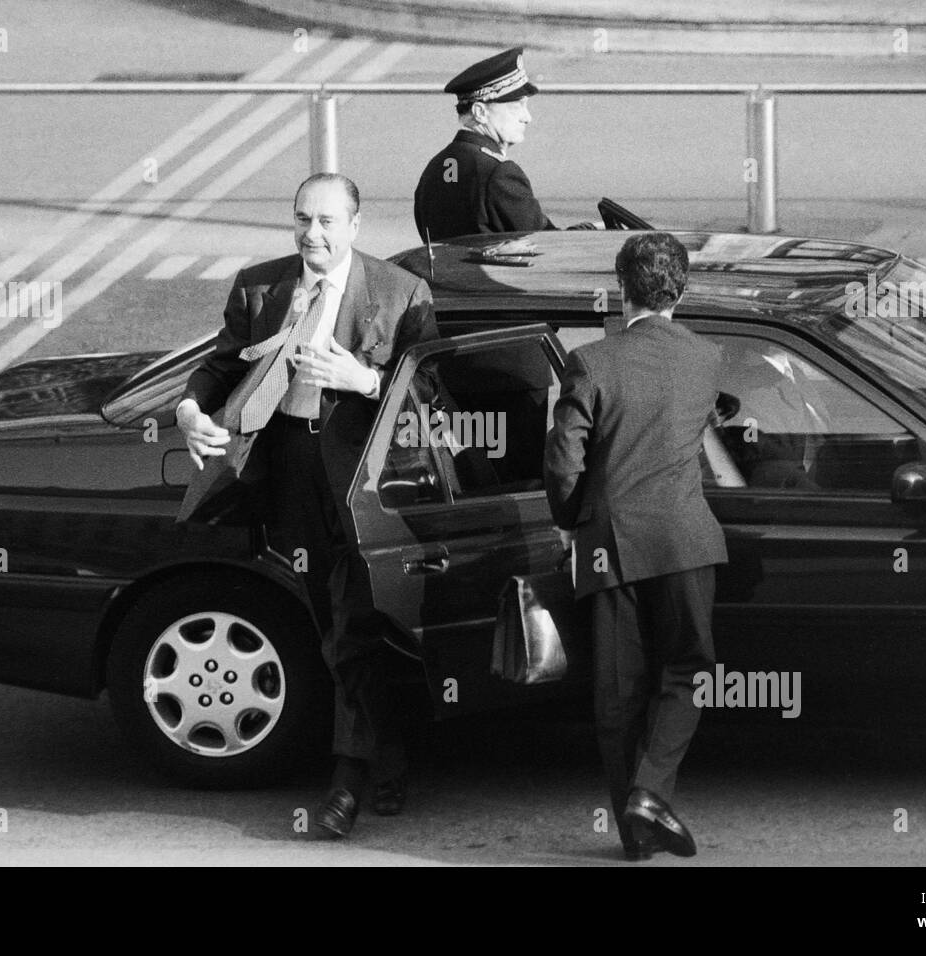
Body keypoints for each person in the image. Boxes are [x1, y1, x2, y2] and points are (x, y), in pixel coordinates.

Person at [174, 173, 440, 839]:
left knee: (352, 622)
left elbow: (433, 398)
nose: (311, 235)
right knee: (330, 620)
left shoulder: (400, 293)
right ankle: (391, 751)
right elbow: (220, 367)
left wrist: (369, 380)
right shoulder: (261, 286)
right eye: (302, 220)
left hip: (363, 479)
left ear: (354, 226)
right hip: (289, 468)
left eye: (326, 222)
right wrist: (187, 409)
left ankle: (348, 779)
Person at [543, 232, 728, 861]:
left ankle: (635, 836)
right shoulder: (706, 358)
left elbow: (563, 461)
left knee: (616, 694)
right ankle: (652, 793)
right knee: (689, 671)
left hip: (610, 547)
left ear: (622, 290)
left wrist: (569, 520)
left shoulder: (592, 362)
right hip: (684, 541)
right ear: (682, 290)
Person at [415, 47, 591, 241]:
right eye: (517, 106)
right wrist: (593, 230)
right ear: (480, 112)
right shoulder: (499, 174)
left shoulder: (437, 167)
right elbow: (547, 245)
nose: (527, 117)